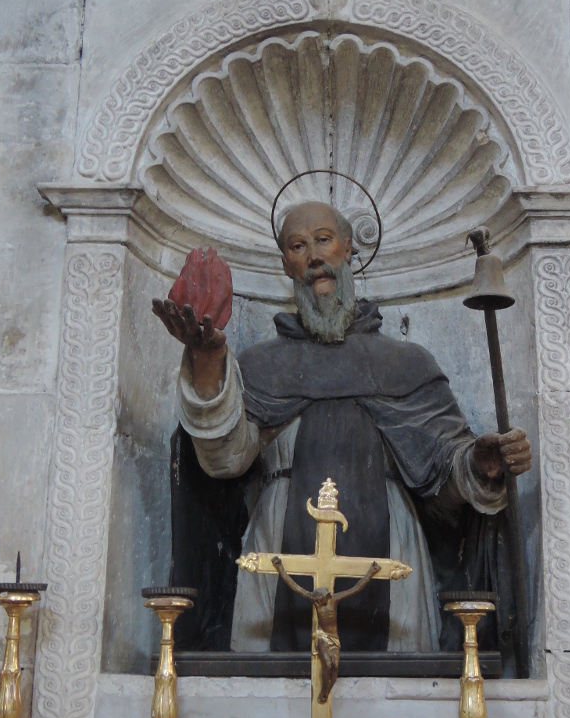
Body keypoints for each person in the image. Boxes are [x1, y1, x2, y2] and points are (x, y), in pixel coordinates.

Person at [152, 200, 531, 653]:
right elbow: (224, 459)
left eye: (323, 240)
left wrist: (479, 463)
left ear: (348, 248)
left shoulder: (405, 365)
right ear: (286, 265)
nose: (314, 256)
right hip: (277, 563)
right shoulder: (259, 368)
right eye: (297, 246)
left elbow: (442, 483)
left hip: (392, 562)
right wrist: (209, 359)